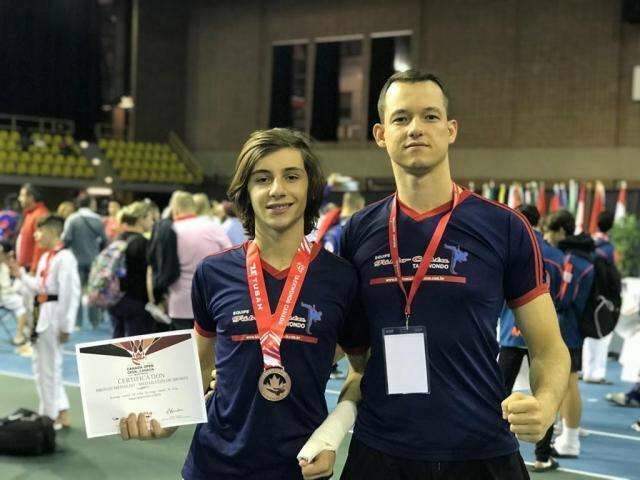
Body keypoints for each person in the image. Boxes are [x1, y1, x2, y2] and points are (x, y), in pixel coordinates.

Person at [301, 70, 570, 480]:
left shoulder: (505, 227)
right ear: (380, 134)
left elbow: (549, 348)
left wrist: (547, 403)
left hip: (482, 451)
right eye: (401, 118)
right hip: (381, 452)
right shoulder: (357, 233)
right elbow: (346, 352)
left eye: (429, 117)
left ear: (451, 129)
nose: (415, 129)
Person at [120, 128, 361, 480]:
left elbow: (360, 371)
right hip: (213, 465)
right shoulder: (213, 273)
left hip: (299, 468)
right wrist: (165, 420)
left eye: (291, 176)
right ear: (246, 192)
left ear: (310, 188)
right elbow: (201, 367)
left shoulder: (340, 278)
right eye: (262, 179)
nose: (277, 189)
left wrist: (331, 435)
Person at [498, 205, 565, 472]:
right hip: (542, 332)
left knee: (496, 393)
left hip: (509, 335)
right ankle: (542, 455)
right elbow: (560, 295)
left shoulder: (506, 248)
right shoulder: (556, 256)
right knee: (546, 395)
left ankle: (491, 444)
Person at [9, 215, 80, 430]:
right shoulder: (46, 258)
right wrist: (19, 275)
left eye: (40, 232)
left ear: (52, 232)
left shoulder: (65, 258)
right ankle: (59, 412)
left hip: (54, 317)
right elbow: (40, 286)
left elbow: (70, 293)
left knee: (49, 369)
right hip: (42, 316)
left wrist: (66, 326)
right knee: (42, 368)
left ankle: (48, 419)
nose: (36, 236)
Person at [543, 210, 595, 458]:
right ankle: (568, 434)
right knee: (566, 382)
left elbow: (564, 299)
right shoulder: (582, 256)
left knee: (569, 382)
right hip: (572, 328)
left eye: (550, 231)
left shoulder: (572, 260)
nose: (547, 236)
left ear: (562, 231)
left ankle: (571, 440)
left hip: (568, 329)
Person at [166, 191, 231, 330]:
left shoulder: (170, 230)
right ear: (193, 207)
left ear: (175, 208)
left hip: (179, 302)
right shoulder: (213, 226)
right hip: (212, 298)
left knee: (182, 350)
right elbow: (230, 256)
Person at [108, 202, 156, 338]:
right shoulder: (142, 242)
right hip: (136, 300)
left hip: (115, 298)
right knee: (138, 348)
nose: (152, 222)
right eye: (150, 218)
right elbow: (149, 273)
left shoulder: (118, 238)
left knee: (118, 342)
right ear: (141, 219)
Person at [62, 192, 108, 329]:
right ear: (91, 204)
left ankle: (77, 323)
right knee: (94, 292)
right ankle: (95, 322)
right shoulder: (98, 219)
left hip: (76, 260)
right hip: (94, 261)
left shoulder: (72, 218)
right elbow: (104, 240)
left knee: (76, 292)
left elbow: (66, 239)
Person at [582, 210, 617, 384]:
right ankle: (598, 372)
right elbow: (613, 277)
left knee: (588, 332)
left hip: (588, 295)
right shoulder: (609, 248)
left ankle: (587, 371)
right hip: (603, 296)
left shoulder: (590, 243)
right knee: (603, 334)